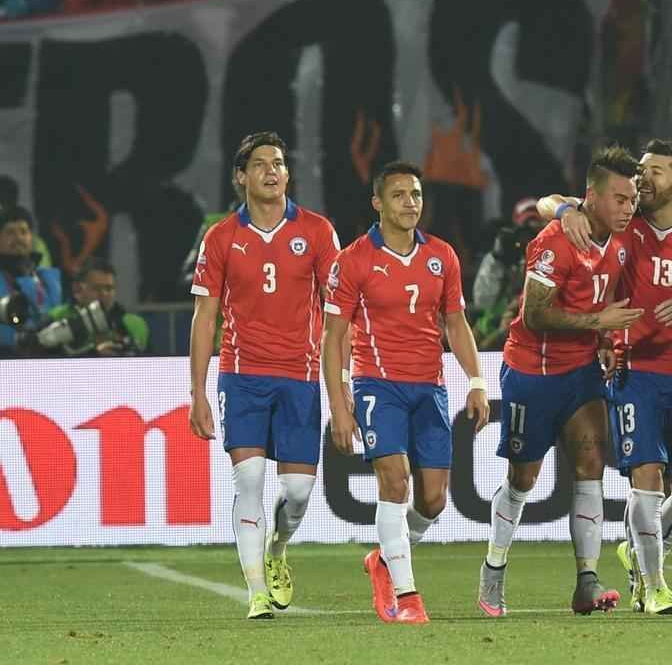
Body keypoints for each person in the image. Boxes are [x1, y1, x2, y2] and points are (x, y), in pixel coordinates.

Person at [540, 138, 672, 616]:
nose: (644, 179)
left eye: (656, 172)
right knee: (645, 480)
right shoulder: (620, 225)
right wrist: (566, 208)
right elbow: (548, 202)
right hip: (635, 372)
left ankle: (638, 551)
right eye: (642, 171)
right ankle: (653, 587)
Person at [477, 147, 643, 618]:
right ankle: (494, 567)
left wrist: (609, 337)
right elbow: (534, 313)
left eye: (632, 199)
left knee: (591, 465)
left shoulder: (620, 238)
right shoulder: (555, 242)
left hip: (582, 374)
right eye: (619, 198)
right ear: (591, 196)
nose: (628, 208)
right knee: (522, 479)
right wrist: (599, 320)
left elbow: (612, 301)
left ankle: (586, 582)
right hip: (532, 373)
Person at [324, 160, 489, 625]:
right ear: (377, 203)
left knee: (433, 500)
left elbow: (455, 323)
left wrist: (476, 381)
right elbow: (333, 337)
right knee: (394, 483)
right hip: (378, 386)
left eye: (415, 194)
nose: (410, 203)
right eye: (399, 195)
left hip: (430, 388)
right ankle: (408, 596)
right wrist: (339, 404)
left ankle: (382, 559)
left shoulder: (442, 256)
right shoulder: (353, 259)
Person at [188, 132, 341, 619]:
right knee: (249, 478)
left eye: (278, 163)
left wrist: (344, 386)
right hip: (242, 374)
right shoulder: (221, 238)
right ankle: (256, 591)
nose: (272, 171)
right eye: (260, 164)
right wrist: (197, 392)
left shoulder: (317, 231)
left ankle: (276, 550)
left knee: (296, 494)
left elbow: (339, 315)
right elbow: (205, 317)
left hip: (300, 377)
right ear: (241, 177)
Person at [47, 257, 150, 355]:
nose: (104, 294)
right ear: (77, 290)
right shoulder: (57, 317)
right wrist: (92, 354)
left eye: (109, 289)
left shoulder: (135, 324)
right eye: (96, 288)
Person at [0, 205, 63, 352]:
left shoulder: (50, 279)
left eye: (24, 232)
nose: (18, 238)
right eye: (10, 232)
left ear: (31, 238)